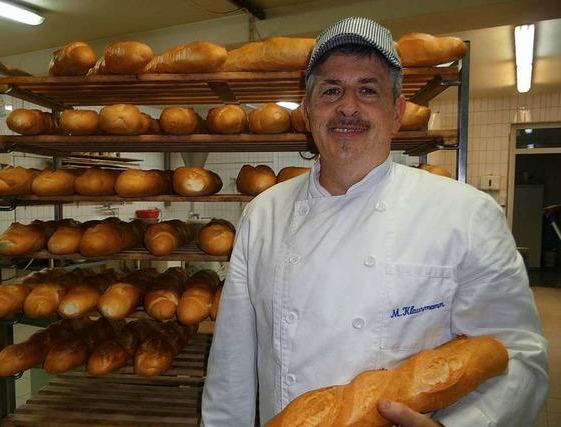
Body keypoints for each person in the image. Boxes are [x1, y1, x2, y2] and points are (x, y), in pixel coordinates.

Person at [201, 16, 548, 427]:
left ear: (397, 112)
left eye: (368, 90)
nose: (348, 106)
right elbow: (232, 367)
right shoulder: (264, 214)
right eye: (331, 91)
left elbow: (520, 355)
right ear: (309, 113)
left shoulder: (465, 214)